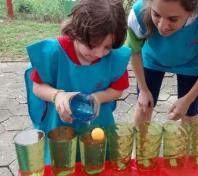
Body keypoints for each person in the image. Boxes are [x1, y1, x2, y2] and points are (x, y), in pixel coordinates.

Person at [24, 0, 130, 164]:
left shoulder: (114, 58)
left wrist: (98, 98)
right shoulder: (55, 53)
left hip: (99, 125)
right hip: (60, 126)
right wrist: (57, 95)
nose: (99, 53)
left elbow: (118, 90)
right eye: (92, 45)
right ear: (76, 32)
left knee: (98, 163)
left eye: (107, 47)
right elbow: (37, 88)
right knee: (62, 164)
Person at [126, 0, 198, 125]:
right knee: (144, 106)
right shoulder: (140, 12)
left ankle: (187, 145)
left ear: (192, 12)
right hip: (152, 58)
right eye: (156, 15)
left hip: (191, 63)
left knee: (189, 114)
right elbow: (134, 51)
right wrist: (143, 90)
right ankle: (141, 144)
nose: (162, 26)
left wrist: (188, 100)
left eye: (173, 19)